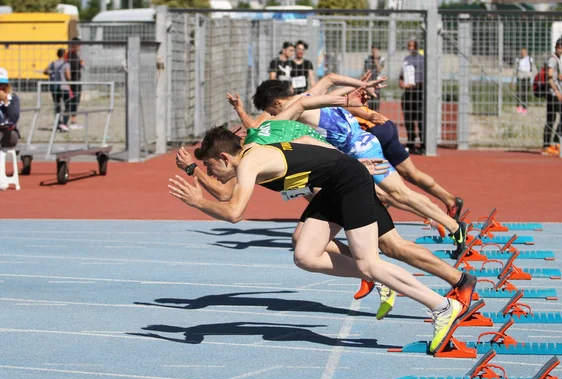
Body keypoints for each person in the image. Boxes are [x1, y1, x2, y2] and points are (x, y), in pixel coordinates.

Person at [168, 92, 464, 354]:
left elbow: (234, 213)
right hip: (333, 186)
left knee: (372, 259)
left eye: (210, 167)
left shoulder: (251, 161)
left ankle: (442, 306)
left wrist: (196, 202)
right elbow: (228, 194)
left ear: (223, 156)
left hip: (349, 182)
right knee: (305, 254)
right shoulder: (253, 153)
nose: (212, 173)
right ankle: (381, 278)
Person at [249, 78, 467, 253]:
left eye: (272, 111)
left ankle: (453, 226)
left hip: (361, 150)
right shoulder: (309, 94)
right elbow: (330, 78)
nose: (275, 116)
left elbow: (263, 128)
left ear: (277, 103)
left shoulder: (296, 108)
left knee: (401, 194)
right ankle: (439, 225)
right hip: (361, 146)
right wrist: (358, 86)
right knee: (386, 196)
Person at [347, 105, 463, 225]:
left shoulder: (333, 101)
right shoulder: (341, 95)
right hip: (385, 125)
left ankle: (435, 217)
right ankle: (450, 201)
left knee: (384, 191)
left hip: (371, 133)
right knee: (411, 173)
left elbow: (343, 103)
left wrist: (365, 114)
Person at [543, 37, 562, 156]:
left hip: (555, 93)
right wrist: (557, 92)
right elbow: (549, 77)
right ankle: (551, 143)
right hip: (553, 94)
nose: (561, 50)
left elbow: (554, 76)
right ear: (556, 47)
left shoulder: (558, 60)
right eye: (559, 47)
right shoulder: (553, 60)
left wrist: (560, 77)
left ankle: (550, 144)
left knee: (552, 119)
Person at [399, 37, 425, 155]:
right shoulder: (406, 60)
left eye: (413, 46)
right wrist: (403, 84)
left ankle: (423, 143)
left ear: (417, 47)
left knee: (420, 119)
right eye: (410, 46)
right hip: (408, 91)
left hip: (419, 91)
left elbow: (426, 78)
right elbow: (401, 77)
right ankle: (411, 142)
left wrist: (417, 84)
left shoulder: (423, 60)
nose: (412, 48)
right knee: (408, 119)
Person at [43, 48, 71, 132]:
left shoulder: (53, 63)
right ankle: (64, 123)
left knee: (57, 105)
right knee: (68, 105)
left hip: (55, 87)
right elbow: (68, 76)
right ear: (64, 54)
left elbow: (45, 71)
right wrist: (69, 81)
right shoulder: (66, 64)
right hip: (64, 87)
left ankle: (58, 123)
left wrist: (51, 73)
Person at [0, 68, 20, 148]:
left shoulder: (13, 98)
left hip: (9, 132)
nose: (0, 87)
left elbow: (14, 118)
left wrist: (6, 103)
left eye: (2, 84)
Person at [67, 37, 84, 130]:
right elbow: (72, 67)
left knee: (75, 101)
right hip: (74, 82)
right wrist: (80, 64)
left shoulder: (73, 54)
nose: (80, 47)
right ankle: (73, 121)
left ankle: (73, 120)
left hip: (76, 81)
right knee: (74, 101)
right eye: (79, 45)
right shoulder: (71, 54)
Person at [514, 47, 536, 115]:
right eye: (522, 52)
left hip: (527, 77)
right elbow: (515, 70)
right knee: (519, 92)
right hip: (520, 76)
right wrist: (513, 80)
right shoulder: (518, 60)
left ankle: (525, 107)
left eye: (524, 52)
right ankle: (519, 106)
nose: (523, 53)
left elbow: (534, 69)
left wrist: (531, 74)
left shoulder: (530, 60)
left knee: (525, 92)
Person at [363, 44, 385, 111]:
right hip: (369, 83)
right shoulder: (368, 59)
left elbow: (379, 69)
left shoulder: (382, 59)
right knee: (368, 103)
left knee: (376, 104)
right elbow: (365, 70)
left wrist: (376, 59)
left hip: (377, 84)